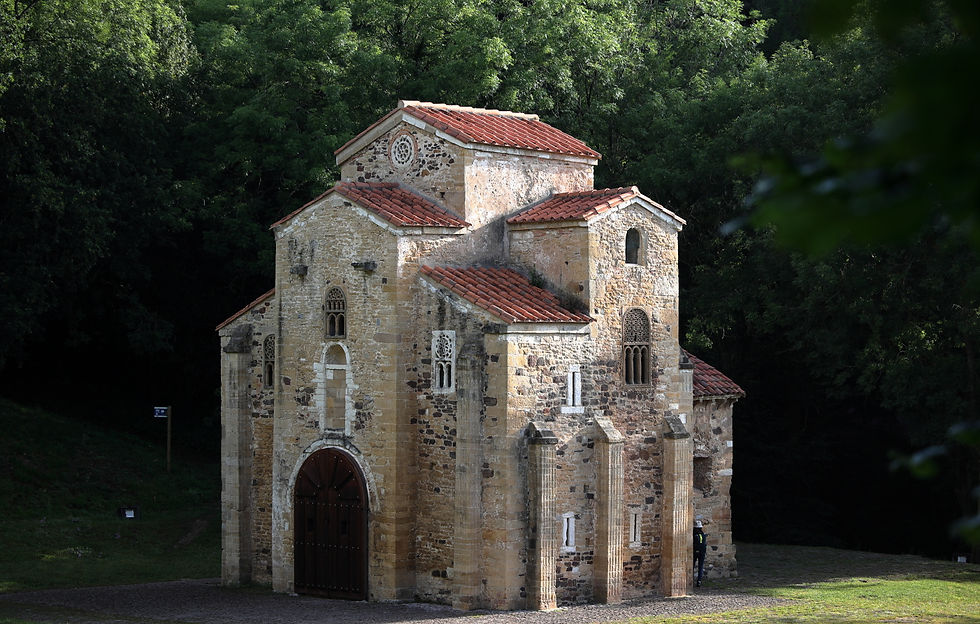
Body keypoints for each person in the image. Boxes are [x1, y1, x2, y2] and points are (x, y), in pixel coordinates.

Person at [693, 520, 707, 587]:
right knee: (700, 566)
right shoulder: (703, 534)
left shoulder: (694, 534)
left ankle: (690, 580)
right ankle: (699, 581)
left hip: (696, 551)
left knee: (692, 565)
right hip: (702, 552)